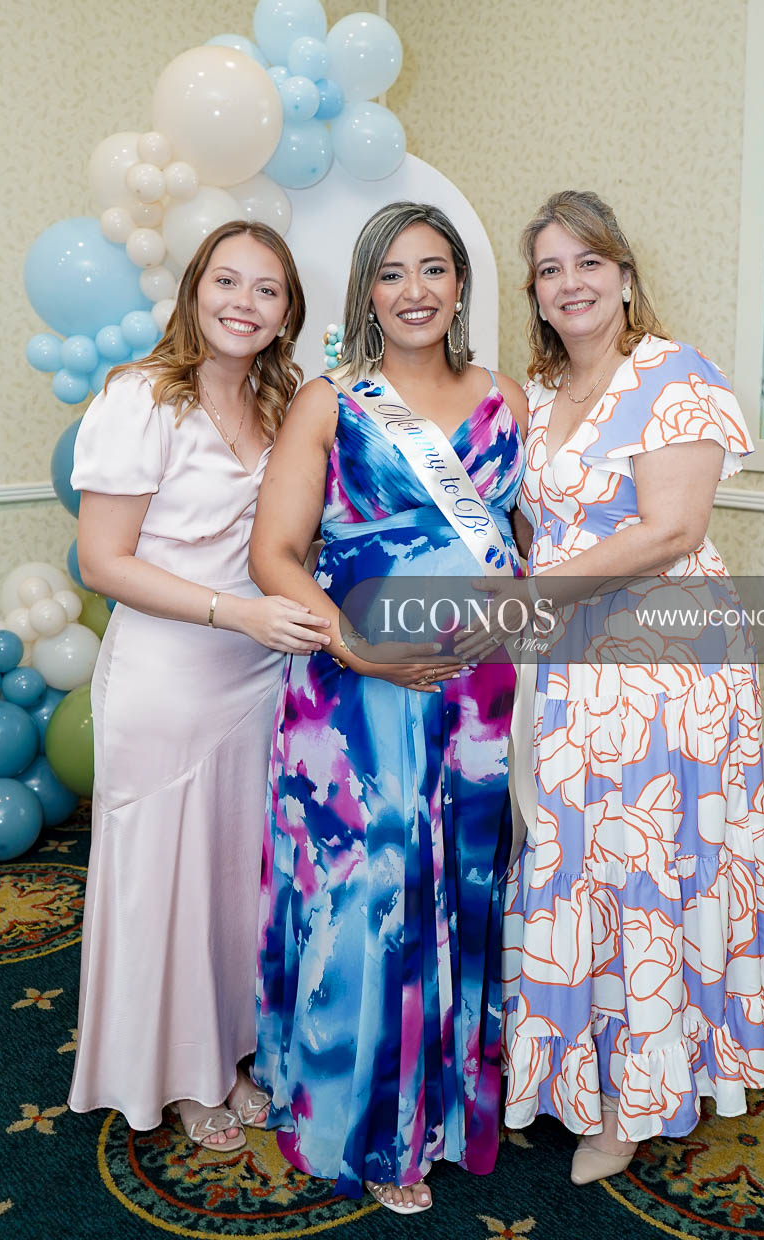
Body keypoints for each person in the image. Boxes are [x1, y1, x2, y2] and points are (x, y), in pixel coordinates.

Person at [490, 190, 764, 1185]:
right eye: (549, 269)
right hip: (568, 661)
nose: (569, 283)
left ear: (624, 275)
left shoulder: (675, 374)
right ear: (534, 293)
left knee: (646, 869)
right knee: (572, 857)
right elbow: (535, 523)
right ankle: (572, 1065)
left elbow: (669, 529)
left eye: (588, 262)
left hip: (662, 664)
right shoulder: (539, 392)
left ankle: (636, 1096)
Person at [248, 201, 529, 1212]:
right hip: (356, 688)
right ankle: (372, 1124)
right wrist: (358, 645)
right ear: (366, 291)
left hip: (476, 690)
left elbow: (523, 537)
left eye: (434, 269)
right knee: (372, 893)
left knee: (462, 883)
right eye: (392, 272)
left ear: (460, 284)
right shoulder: (330, 402)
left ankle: (447, 1099)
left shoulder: (505, 398)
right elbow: (274, 554)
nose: (415, 291)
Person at [68, 221, 330, 1152]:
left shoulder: (283, 400)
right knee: (163, 877)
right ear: (194, 290)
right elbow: (102, 562)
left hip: (256, 677)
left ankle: (230, 1046)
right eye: (227, 280)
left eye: (267, 289)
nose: (243, 303)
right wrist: (235, 613)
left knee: (232, 878)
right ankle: (173, 1075)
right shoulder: (140, 397)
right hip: (167, 675)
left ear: (288, 313)